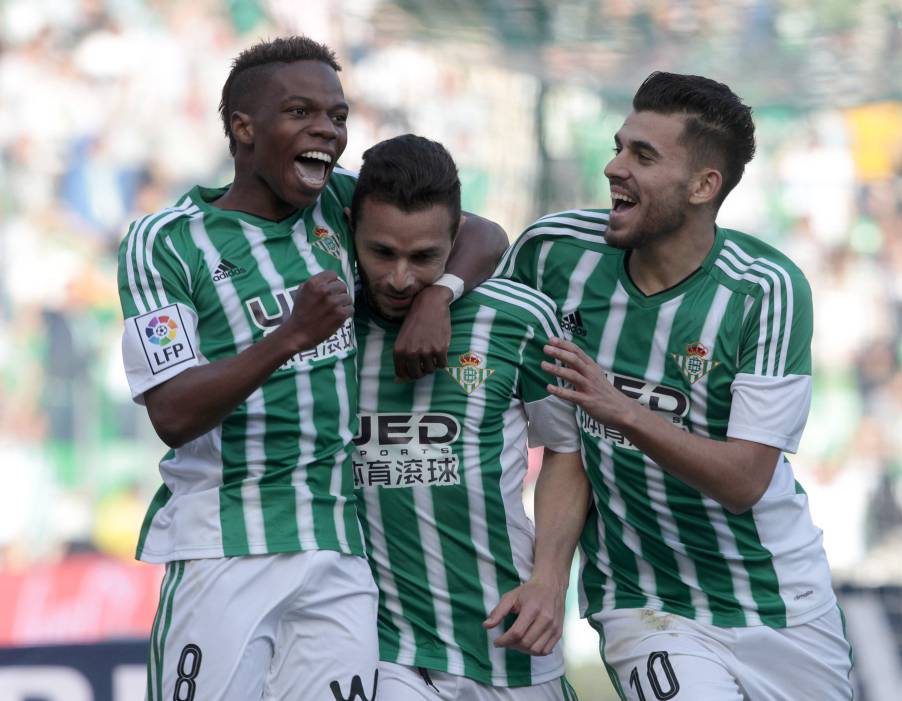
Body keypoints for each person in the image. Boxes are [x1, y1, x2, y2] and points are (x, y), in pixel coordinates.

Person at [117, 36, 505, 700]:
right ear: (244, 127)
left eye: (338, 115)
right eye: (301, 112)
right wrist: (290, 336)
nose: (328, 129)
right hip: (224, 546)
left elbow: (481, 232)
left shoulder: (338, 203)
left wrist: (439, 296)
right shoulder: (168, 241)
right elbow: (173, 412)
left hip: (337, 550)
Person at [496, 72, 853, 700]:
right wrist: (550, 578)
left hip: (779, 600)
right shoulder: (553, 252)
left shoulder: (764, 290)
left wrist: (620, 409)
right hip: (644, 604)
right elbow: (567, 445)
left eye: (643, 156)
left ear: (702, 185)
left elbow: (745, 479)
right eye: (618, 147)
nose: (614, 167)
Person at [350, 133, 590, 700]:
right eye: (381, 253)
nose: (401, 278)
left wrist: (550, 581)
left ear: (455, 239)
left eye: (423, 257)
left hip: (506, 636)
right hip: (380, 649)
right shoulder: (327, 323)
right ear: (350, 231)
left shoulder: (518, 318)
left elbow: (567, 449)